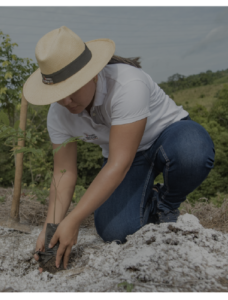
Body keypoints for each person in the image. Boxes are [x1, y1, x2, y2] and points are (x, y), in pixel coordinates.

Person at [23, 26, 215, 272]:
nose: (66, 101)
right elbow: (64, 173)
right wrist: (51, 227)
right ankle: (150, 201)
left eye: (72, 91)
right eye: (59, 94)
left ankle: (166, 204)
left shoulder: (126, 83)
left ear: (92, 75)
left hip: (168, 137)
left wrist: (74, 219)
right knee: (115, 232)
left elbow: (118, 164)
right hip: (127, 157)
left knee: (193, 151)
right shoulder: (58, 115)